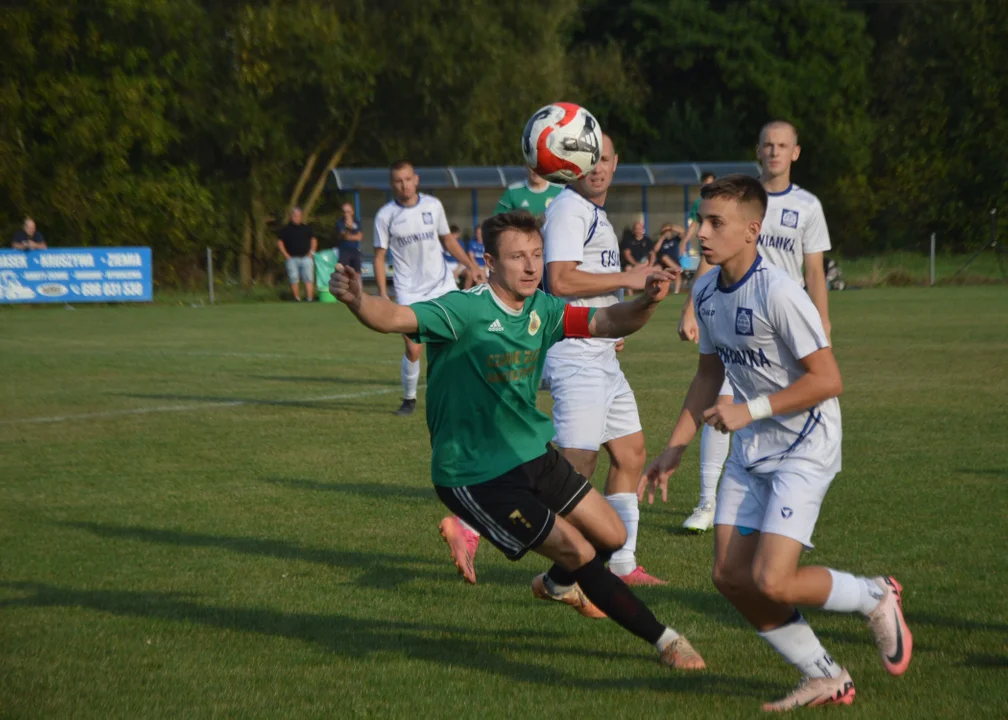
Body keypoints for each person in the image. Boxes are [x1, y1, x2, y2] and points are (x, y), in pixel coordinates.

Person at [331, 209, 705, 670]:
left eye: (536, 256)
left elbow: (607, 321)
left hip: (531, 454)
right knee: (580, 551)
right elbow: (393, 316)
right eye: (516, 257)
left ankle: (555, 585)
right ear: (489, 262)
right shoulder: (464, 309)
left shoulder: (541, 309)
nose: (530, 267)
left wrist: (647, 300)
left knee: (612, 533)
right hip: (475, 472)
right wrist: (357, 299)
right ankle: (666, 641)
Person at [640, 174, 911, 711]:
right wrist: (674, 448)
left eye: (716, 223)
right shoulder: (706, 290)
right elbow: (707, 376)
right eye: (701, 219)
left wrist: (750, 410)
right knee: (729, 576)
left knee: (773, 579)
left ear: (752, 231)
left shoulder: (779, 292)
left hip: (806, 443)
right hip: (751, 447)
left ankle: (875, 595)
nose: (700, 233)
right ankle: (825, 675)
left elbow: (828, 379)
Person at [439, 134, 669, 586]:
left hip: (601, 353)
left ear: (617, 162)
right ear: (571, 165)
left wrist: (620, 314)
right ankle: (475, 524)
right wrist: (630, 276)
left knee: (630, 453)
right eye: (588, 160)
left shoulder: (593, 214)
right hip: (575, 357)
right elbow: (560, 281)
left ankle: (621, 565)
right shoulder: (569, 209)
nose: (597, 168)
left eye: (604, 159)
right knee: (572, 471)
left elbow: (588, 281)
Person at [677, 122, 834, 533]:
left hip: (777, 317)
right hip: (732, 310)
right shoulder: (732, 200)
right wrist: (692, 306)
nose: (775, 152)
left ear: (795, 152)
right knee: (722, 400)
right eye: (768, 144)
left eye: (783, 145)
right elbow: (706, 376)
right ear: (759, 150)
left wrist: (823, 321)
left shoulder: (806, 207)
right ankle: (708, 499)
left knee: (769, 580)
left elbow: (814, 270)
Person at [374, 161, 485, 416]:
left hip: (442, 285)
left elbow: (447, 239)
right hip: (408, 290)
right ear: (393, 185)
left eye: (408, 179)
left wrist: (470, 265)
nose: (404, 185)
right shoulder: (385, 215)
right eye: (398, 181)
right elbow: (379, 256)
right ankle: (409, 399)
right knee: (414, 348)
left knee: (459, 341)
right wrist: (382, 294)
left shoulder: (433, 206)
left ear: (417, 179)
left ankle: (463, 394)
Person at [277, 207, 318, 302]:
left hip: (306, 258)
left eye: (299, 216)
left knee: (308, 278)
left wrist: (311, 253)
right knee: (293, 279)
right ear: (291, 216)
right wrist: (286, 255)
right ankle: (297, 299)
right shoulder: (286, 229)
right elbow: (280, 242)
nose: (297, 218)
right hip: (291, 259)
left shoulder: (306, 228)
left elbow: (314, 240)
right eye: (295, 216)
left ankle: (309, 299)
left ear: (301, 217)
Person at [493, 166, 562, 217]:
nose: (536, 171)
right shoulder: (512, 191)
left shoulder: (561, 191)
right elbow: (498, 221)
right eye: (533, 165)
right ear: (526, 165)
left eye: (540, 165)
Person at [652, 223, 684, 294]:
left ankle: (676, 292)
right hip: (664, 264)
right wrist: (662, 236)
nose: (667, 233)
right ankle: (677, 268)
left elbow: (683, 232)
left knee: (677, 273)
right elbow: (655, 250)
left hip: (675, 262)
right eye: (666, 231)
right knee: (664, 257)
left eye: (669, 231)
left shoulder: (675, 240)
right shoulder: (661, 241)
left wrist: (671, 227)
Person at [335, 202, 364, 274]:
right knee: (344, 272)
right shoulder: (340, 223)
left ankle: (358, 285)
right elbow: (343, 236)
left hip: (355, 250)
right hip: (344, 251)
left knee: (357, 273)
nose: (346, 214)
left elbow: (359, 237)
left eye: (348, 212)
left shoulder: (357, 222)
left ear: (352, 212)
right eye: (344, 212)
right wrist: (348, 228)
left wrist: (349, 236)